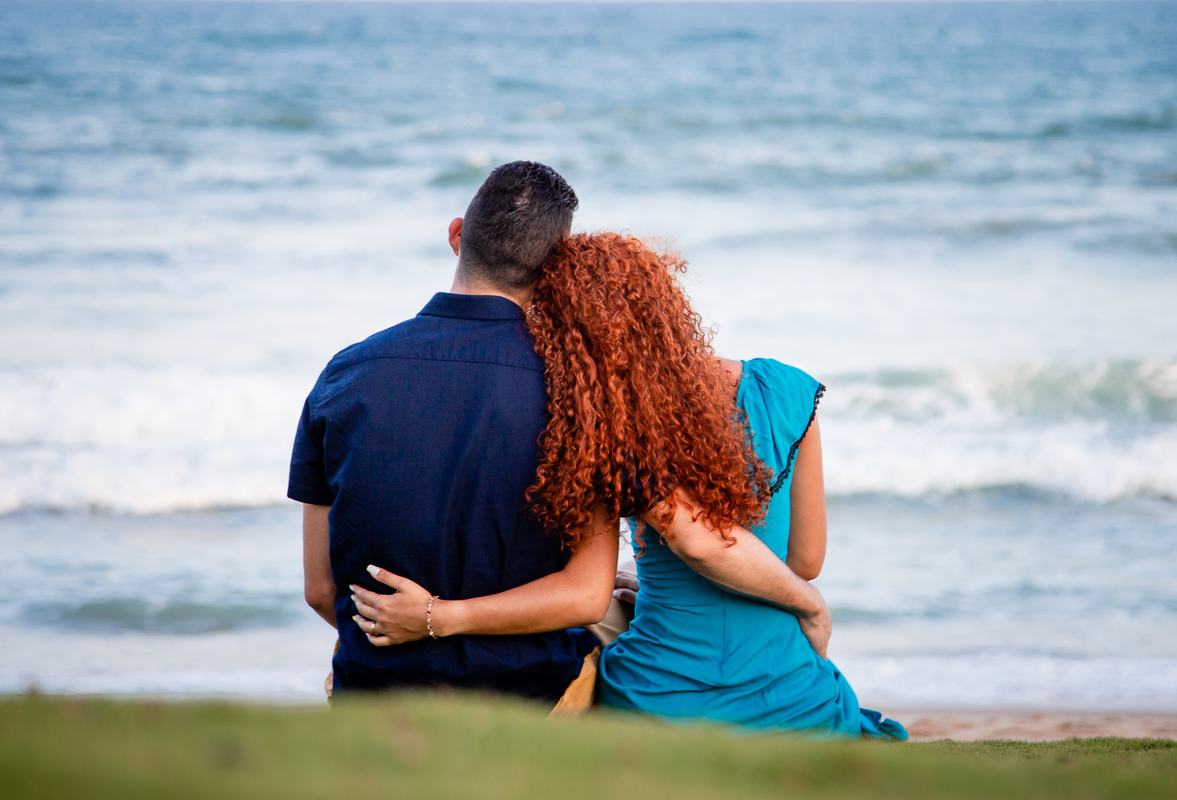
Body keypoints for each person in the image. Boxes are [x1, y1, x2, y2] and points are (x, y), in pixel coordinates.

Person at [352, 232, 904, 738]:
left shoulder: (617, 425)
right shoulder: (788, 389)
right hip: (799, 705)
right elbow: (802, 561)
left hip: (661, 702)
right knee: (610, 605)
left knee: (573, 640)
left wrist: (811, 607)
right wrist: (686, 584)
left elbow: (699, 541)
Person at [288, 161, 618, 703]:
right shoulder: (577, 392)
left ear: (457, 234)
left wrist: (416, 634)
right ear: (557, 267)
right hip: (528, 695)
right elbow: (586, 596)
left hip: (375, 689)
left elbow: (320, 589)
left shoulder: (345, 374)